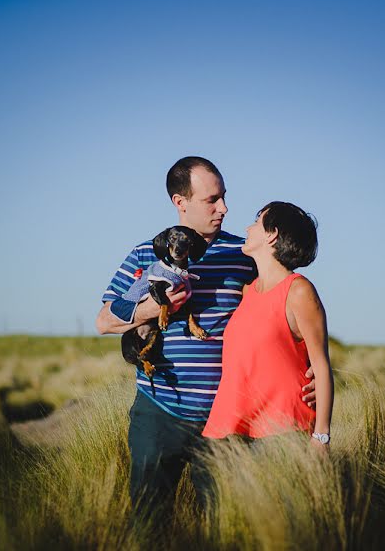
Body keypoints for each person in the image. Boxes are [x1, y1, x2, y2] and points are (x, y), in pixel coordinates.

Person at [95, 157, 318, 519]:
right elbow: (104, 321)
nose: (224, 208)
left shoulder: (245, 254)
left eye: (224, 197)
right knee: (149, 525)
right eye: (211, 200)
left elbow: (286, 309)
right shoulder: (143, 254)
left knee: (223, 525)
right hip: (158, 413)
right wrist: (154, 307)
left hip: (227, 419)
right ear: (180, 203)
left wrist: (309, 375)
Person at [202, 202, 333, 446]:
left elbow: (321, 366)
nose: (248, 228)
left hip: (282, 431)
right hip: (231, 429)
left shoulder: (299, 290)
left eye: (257, 221)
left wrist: (321, 436)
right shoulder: (247, 291)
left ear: (272, 234)